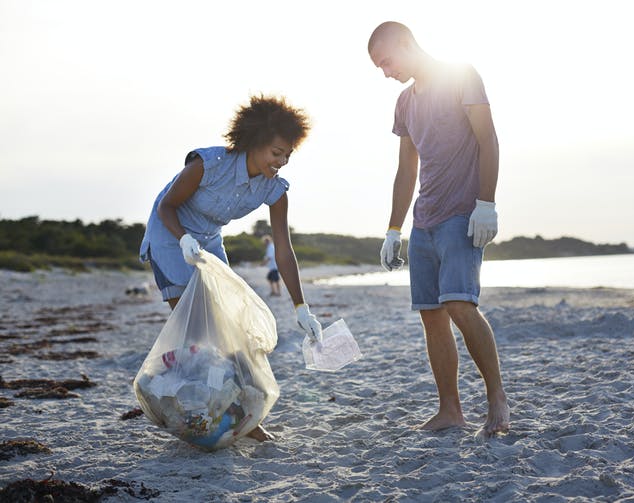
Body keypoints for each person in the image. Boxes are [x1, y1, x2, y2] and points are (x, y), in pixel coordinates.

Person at [139, 93, 322, 442]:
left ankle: (242, 418)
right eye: (276, 152)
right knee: (197, 334)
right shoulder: (208, 164)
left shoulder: (275, 189)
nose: (282, 161)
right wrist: (182, 240)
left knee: (229, 330)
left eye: (288, 154)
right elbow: (167, 207)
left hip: (207, 240)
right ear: (254, 143)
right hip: (169, 233)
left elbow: (284, 250)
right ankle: (190, 409)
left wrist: (302, 307)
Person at [367, 21, 510, 437]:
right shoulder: (404, 103)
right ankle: (450, 410)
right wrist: (394, 229)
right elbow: (405, 169)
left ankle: (497, 399)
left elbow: (489, 140)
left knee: (461, 306)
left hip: (461, 216)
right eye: (378, 67)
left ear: (407, 44)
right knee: (431, 317)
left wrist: (487, 204)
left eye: (386, 61)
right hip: (423, 222)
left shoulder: (462, 76)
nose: (385, 71)